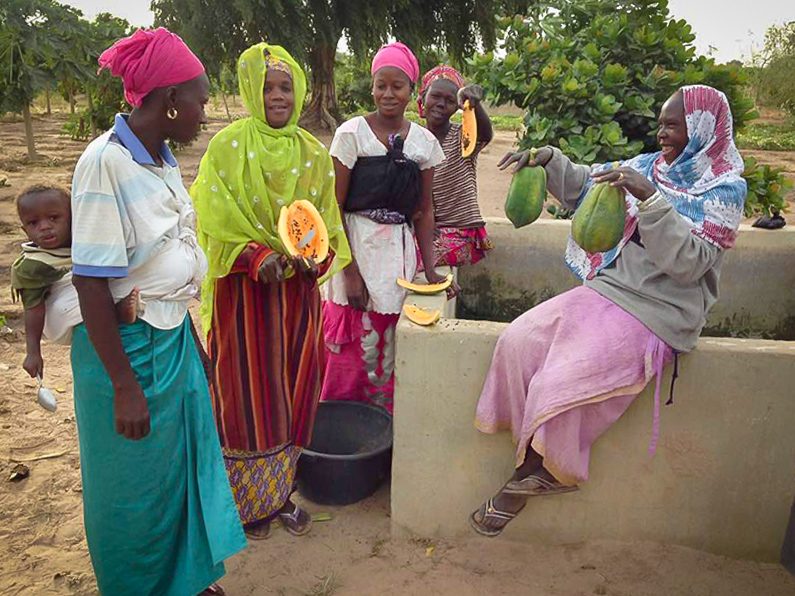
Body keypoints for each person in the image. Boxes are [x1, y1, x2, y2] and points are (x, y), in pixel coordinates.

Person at [469, 85, 747, 536]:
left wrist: (652, 201)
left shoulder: (726, 189)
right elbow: (585, 182)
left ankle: (539, 471)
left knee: (560, 382)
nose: (663, 134)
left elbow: (690, 265)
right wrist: (549, 160)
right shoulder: (648, 167)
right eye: (660, 124)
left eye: (673, 125)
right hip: (609, 288)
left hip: (660, 311)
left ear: (700, 129)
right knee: (517, 340)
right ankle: (530, 447)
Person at [70, 28, 245, 595]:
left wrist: (192, 341)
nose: (204, 113)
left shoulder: (162, 156)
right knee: (133, 487)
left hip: (170, 338)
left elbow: (170, 255)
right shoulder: (105, 164)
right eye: (199, 99)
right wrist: (123, 385)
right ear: (170, 101)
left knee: (177, 472)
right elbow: (92, 284)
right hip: (128, 351)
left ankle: (185, 581)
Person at [190, 43, 351, 540]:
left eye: (285, 87)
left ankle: (279, 495)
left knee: (293, 387)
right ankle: (244, 508)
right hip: (245, 298)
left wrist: (315, 258)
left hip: (297, 296)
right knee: (245, 397)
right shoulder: (226, 147)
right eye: (266, 87)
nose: (277, 96)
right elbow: (213, 224)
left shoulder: (311, 151)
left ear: (299, 92)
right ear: (247, 92)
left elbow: (325, 220)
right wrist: (255, 258)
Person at [321, 42, 454, 414]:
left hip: (397, 253)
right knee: (350, 350)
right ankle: (344, 429)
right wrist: (349, 274)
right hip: (358, 247)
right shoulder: (351, 135)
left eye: (397, 86)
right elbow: (335, 207)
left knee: (392, 347)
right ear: (372, 86)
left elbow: (425, 210)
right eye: (381, 85)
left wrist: (429, 270)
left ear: (413, 91)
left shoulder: (423, 142)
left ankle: (383, 435)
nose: (388, 94)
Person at [12, 183, 141, 380]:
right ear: (24, 229)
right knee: (89, 285)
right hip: (58, 321)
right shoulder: (34, 265)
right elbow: (33, 308)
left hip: (86, 309)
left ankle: (116, 309)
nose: (44, 227)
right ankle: (117, 311)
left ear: (73, 218)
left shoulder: (84, 240)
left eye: (54, 218)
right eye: (33, 223)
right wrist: (33, 352)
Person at [417, 65, 494, 267]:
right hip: (425, 230)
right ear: (423, 99)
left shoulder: (462, 137)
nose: (441, 104)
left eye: (450, 100)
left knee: (412, 260)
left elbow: (485, 135)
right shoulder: (414, 140)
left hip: (460, 233)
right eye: (435, 96)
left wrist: (474, 104)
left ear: (457, 106)